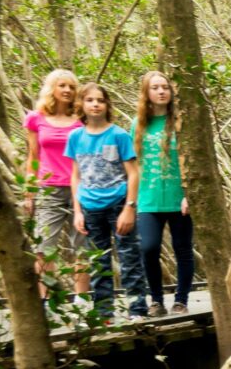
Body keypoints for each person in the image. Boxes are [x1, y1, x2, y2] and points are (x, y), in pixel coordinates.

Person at [65, 82, 145, 321]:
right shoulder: (76, 136)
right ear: (81, 105)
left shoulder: (119, 134)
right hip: (89, 206)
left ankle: (137, 309)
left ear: (107, 104)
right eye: (90, 100)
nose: (95, 105)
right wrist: (77, 211)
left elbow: (133, 173)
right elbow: (75, 175)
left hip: (118, 203)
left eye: (100, 100)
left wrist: (129, 208)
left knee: (129, 256)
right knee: (99, 262)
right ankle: (104, 313)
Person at [130, 71, 192, 316]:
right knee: (148, 247)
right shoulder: (138, 124)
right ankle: (156, 301)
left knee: (182, 248)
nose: (161, 91)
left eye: (165, 87)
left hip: (179, 199)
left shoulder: (180, 121)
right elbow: (133, 164)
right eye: (155, 87)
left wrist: (189, 193)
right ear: (147, 93)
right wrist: (131, 200)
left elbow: (193, 160)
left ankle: (181, 300)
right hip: (148, 198)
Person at [24, 69, 82, 283]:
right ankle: (45, 302)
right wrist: (29, 192)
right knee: (44, 248)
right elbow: (33, 156)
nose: (67, 90)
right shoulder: (36, 118)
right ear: (52, 89)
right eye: (62, 85)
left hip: (80, 189)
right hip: (49, 189)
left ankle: (82, 301)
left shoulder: (81, 119)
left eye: (71, 87)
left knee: (82, 248)